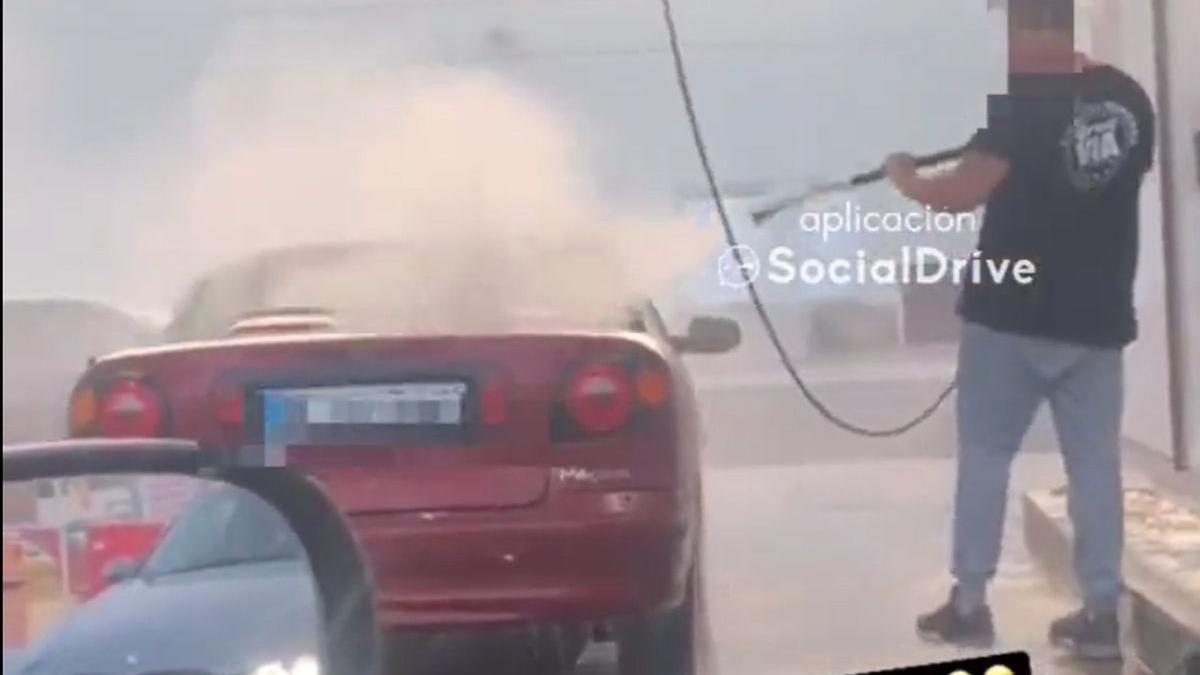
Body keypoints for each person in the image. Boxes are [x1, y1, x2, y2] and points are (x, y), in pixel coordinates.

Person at [882, 0, 1156, 661]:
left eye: (1010, 32)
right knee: (1094, 468)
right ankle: (1098, 612)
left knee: (984, 456)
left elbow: (961, 191)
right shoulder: (1129, 100)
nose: (1005, 49)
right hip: (1095, 321)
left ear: (1034, 31)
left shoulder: (1021, 106)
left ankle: (970, 606)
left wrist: (907, 178)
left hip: (1010, 318)